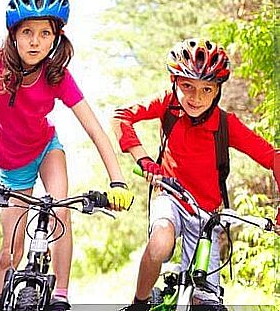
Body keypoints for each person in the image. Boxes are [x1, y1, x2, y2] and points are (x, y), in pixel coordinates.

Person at [0, 0, 134, 310]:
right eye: (27, 32)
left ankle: (61, 295)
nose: (35, 41)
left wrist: (117, 181)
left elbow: (94, 129)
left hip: (46, 149)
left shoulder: (57, 76)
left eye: (44, 33)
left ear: (56, 38)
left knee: (60, 209)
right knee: (9, 254)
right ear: (14, 35)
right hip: (11, 166)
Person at [112, 38, 279, 308]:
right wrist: (143, 160)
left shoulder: (226, 124)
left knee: (206, 299)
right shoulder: (167, 104)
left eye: (206, 89)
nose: (196, 97)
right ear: (174, 81)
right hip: (170, 196)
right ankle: (139, 303)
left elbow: (272, 157)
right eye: (187, 86)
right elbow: (121, 116)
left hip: (207, 216)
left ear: (217, 91)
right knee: (160, 242)